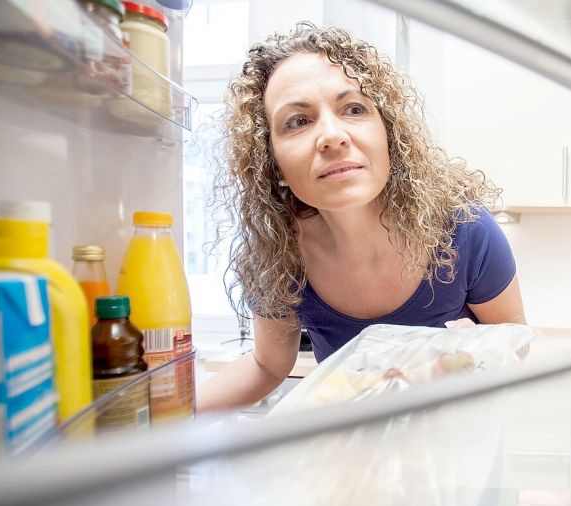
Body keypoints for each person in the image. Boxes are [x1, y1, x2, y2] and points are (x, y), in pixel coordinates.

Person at [197, 22, 526, 413]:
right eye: (298, 121)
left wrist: (480, 353)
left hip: (456, 453)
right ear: (273, 164)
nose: (332, 136)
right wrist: (157, 425)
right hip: (351, 460)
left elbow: (516, 341)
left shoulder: (464, 230)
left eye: (353, 109)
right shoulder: (278, 253)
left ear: (389, 135)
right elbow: (267, 364)